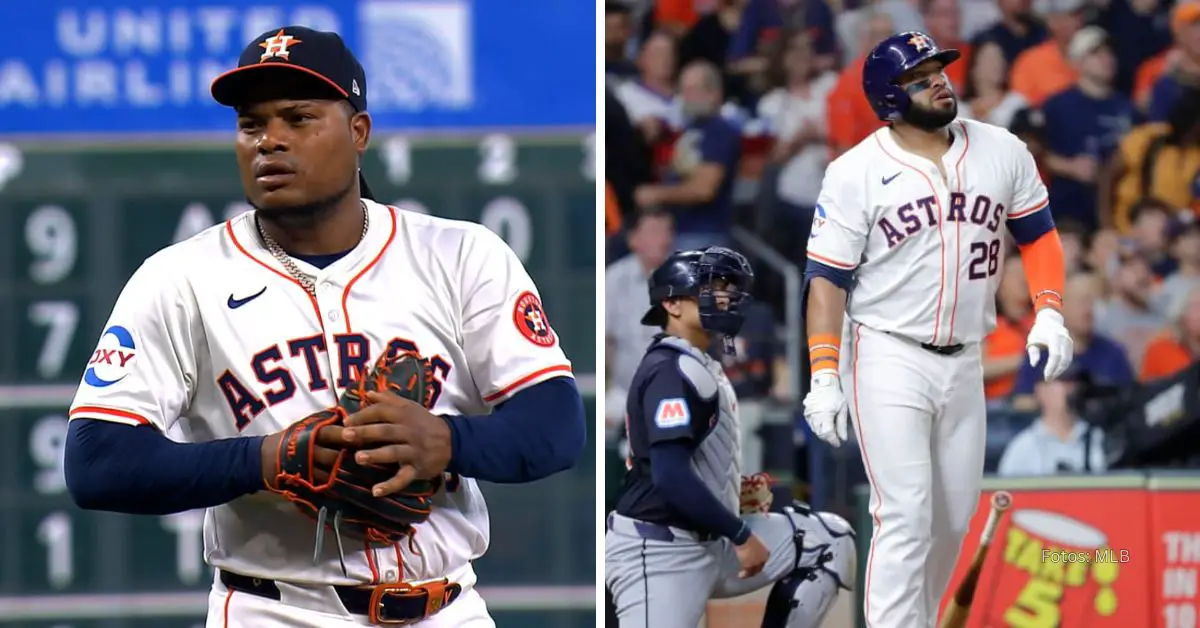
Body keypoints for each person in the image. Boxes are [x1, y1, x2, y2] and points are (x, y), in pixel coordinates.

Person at [62, 26, 586, 627]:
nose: (269, 141)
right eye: (251, 123)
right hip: (276, 607)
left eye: (298, 118)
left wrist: (447, 442)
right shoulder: (181, 278)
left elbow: (556, 425)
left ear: (358, 132)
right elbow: (96, 462)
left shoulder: (461, 255)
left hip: (448, 607)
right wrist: (266, 459)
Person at [801, 31, 1074, 627]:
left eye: (939, 69)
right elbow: (826, 282)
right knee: (905, 513)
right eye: (920, 76)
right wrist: (825, 374)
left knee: (952, 520)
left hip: (966, 355)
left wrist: (1049, 309)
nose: (940, 80)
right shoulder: (857, 172)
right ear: (889, 97)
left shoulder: (1000, 150)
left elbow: (1039, 235)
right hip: (888, 352)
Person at [605, 247, 855, 628]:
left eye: (726, 286)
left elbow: (686, 465)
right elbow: (669, 476)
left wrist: (726, 493)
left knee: (828, 540)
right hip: (660, 551)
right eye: (711, 287)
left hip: (712, 540)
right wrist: (739, 533)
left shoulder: (697, 361)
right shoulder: (669, 370)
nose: (725, 296)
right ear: (672, 303)